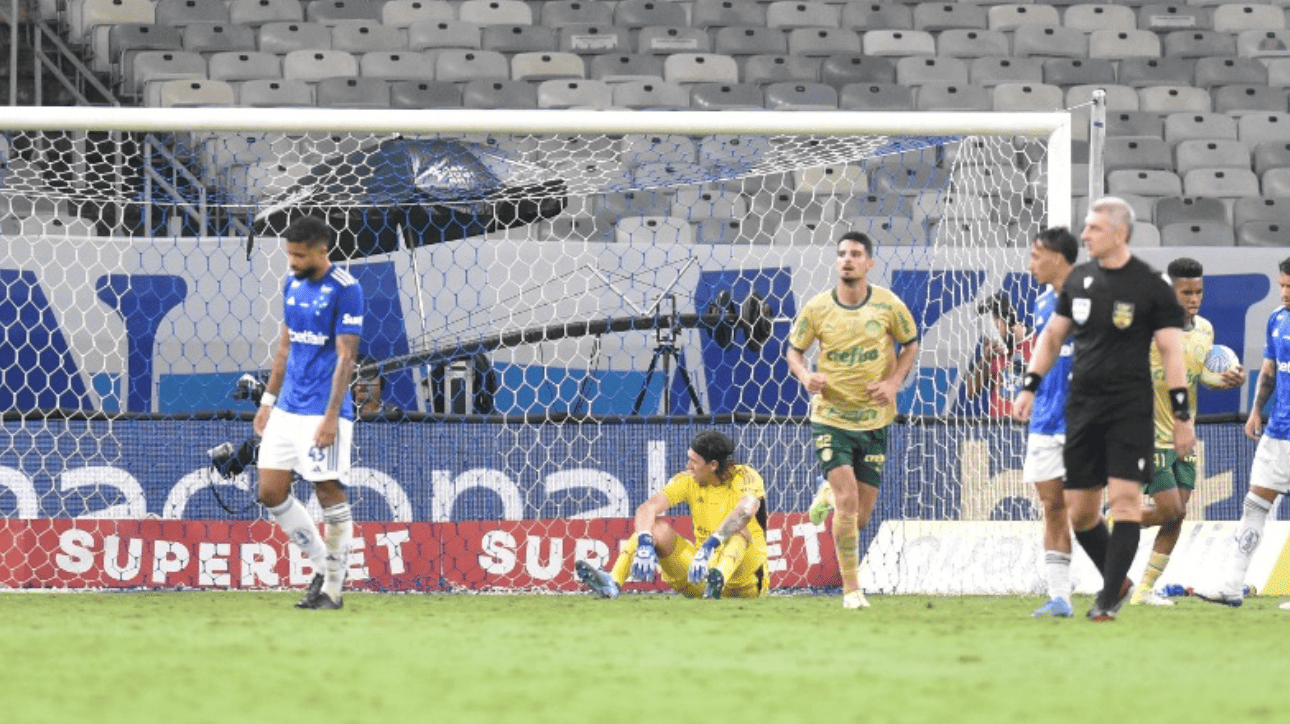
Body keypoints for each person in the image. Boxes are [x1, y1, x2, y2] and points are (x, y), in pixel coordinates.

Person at [1013, 197, 1193, 622]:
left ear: (1120, 232)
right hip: (1071, 415)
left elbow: (1171, 350)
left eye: (1094, 227)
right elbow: (1051, 340)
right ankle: (1104, 584)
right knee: (1076, 512)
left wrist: (1182, 415)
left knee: (1126, 503)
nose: (1086, 234)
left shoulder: (1148, 287)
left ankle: (1106, 599)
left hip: (1125, 412)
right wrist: (1028, 387)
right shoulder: (1072, 292)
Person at [789, 231, 920, 609]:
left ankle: (827, 493)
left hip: (876, 420)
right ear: (836, 262)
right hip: (831, 418)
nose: (847, 259)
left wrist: (895, 382)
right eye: (842, 254)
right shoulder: (817, 308)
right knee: (848, 503)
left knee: (859, 518)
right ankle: (852, 590)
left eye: (856, 254)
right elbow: (794, 352)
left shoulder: (888, 305)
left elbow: (911, 343)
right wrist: (805, 376)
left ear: (869, 263)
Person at [254, 215, 364, 610]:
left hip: (322, 409)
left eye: (299, 255)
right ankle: (323, 565)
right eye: (289, 254)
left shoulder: (346, 290)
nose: (292, 262)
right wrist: (268, 402)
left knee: (327, 490)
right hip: (286, 408)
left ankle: (333, 588)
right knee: (270, 491)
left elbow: (346, 358)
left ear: (322, 249)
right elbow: (284, 347)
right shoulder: (290, 283)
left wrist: (332, 417)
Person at [1132, 258, 1245, 606]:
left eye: (1198, 291)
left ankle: (1145, 590)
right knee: (1167, 510)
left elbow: (1201, 376)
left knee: (1178, 514)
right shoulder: (1152, 330)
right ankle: (1112, 520)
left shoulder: (1206, 330)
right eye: (1186, 292)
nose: (1194, 298)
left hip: (1184, 436)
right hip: (1149, 433)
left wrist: (1228, 380)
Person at [1196, 258, 1290, 609]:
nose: (1283, 293)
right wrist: (1255, 412)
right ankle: (1231, 585)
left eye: (1289, 287)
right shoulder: (1277, 320)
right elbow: (1269, 369)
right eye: (1281, 285)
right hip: (1278, 431)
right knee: (1254, 506)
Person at [574, 430, 770, 599]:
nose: (688, 466)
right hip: (699, 572)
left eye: (694, 461)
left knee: (740, 531)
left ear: (713, 465)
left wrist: (711, 544)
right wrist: (644, 542)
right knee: (654, 527)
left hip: (745, 584)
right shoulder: (688, 480)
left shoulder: (745, 477)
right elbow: (647, 508)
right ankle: (613, 582)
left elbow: (745, 511)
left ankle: (718, 580)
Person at [1017, 227, 1080, 618]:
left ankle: (1115, 576)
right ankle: (1060, 598)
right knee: (1052, 505)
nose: (1030, 263)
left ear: (1057, 257)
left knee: (1083, 510)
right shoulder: (1042, 304)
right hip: (1045, 419)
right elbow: (1046, 352)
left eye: (1036, 256)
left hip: (1085, 419)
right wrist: (1028, 390)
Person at [961, 291, 1032, 418]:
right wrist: (986, 360)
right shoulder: (993, 346)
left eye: (994, 327)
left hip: (1028, 425)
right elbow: (970, 391)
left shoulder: (1038, 343)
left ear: (1009, 320)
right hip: (997, 429)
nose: (990, 334)